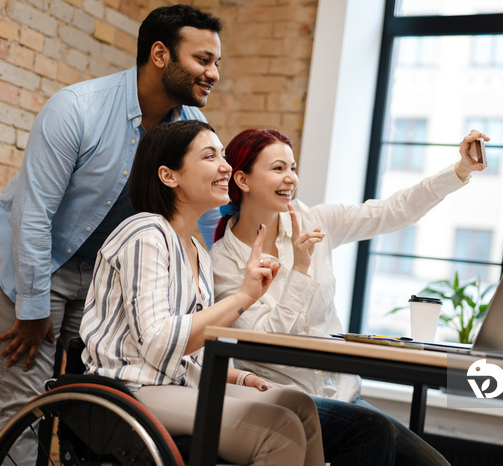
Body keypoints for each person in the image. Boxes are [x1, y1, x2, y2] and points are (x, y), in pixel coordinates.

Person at [0, 4, 223, 459]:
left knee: (91, 400)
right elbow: (33, 214)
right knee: (24, 404)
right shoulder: (77, 109)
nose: (212, 73)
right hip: (36, 263)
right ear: (159, 54)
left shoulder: (191, 128)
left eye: (216, 62)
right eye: (202, 59)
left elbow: (204, 217)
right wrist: (33, 309)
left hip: (102, 276)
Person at [210, 127, 489, 465]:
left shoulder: (313, 220)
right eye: (278, 168)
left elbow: (390, 212)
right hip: (284, 398)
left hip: (343, 393)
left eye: (293, 167)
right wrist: (299, 268)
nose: (290, 178)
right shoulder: (223, 261)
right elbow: (270, 343)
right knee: (372, 433)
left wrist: (458, 170)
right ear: (242, 179)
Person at [79, 120, 324, 465]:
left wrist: (240, 376)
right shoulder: (145, 234)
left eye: (223, 155)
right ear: (169, 175)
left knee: (298, 404)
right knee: (278, 428)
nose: (225, 166)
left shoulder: (196, 249)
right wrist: (244, 296)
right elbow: (158, 343)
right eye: (210, 156)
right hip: (131, 391)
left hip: (176, 384)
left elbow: (190, 355)